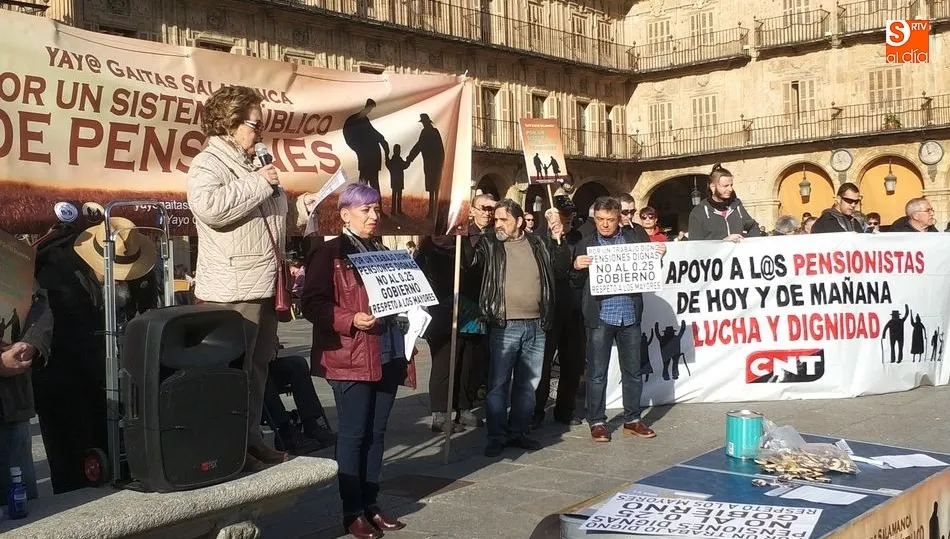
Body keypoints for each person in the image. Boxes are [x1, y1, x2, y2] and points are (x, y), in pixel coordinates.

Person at [186, 85, 293, 471]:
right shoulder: (208, 163)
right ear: (230, 124)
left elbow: (267, 215)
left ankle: (251, 440)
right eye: (254, 124)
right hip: (232, 286)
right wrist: (261, 182)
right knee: (233, 371)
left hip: (264, 281)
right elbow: (209, 207)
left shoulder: (253, 163)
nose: (260, 132)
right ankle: (228, 449)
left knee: (259, 365)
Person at [302, 183, 411, 539]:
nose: (374, 216)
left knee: (377, 434)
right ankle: (352, 512)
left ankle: (371, 504)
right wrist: (348, 318)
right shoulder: (330, 252)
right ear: (345, 213)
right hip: (352, 356)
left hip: (389, 351)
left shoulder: (383, 249)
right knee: (353, 435)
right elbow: (312, 303)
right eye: (366, 210)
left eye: (376, 209)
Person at [34, 217, 158, 493]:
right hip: (62, 374)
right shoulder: (58, 274)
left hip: (105, 367)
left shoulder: (135, 264)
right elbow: (72, 339)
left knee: (115, 449)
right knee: (75, 459)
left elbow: (147, 312)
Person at [467, 199, 557, 458]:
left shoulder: (538, 244)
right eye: (496, 219)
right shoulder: (490, 244)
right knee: (498, 383)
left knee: (528, 383)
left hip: (537, 324)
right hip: (504, 324)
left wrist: (558, 236)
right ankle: (497, 435)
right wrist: (466, 231)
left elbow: (558, 266)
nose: (498, 224)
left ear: (519, 222)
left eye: (503, 219)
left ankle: (519, 431)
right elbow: (470, 262)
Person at [572, 196, 666, 443]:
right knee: (596, 373)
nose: (604, 225)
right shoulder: (585, 244)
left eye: (610, 220)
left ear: (619, 219)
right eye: (600, 220)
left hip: (630, 314)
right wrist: (576, 267)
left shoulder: (635, 239)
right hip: (600, 316)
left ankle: (632, 420)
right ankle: (597, 421)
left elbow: (650, 268)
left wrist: (659, 253)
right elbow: (574, 282)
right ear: (595, 219)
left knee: (633, 371)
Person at [533, 196, 585, 428]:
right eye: (563, 216)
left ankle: (566, 408)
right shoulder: (539, 241)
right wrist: (556, 240)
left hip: (575, 309)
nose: (568, 220)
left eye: (571, 216)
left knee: (572, 363)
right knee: (542, 364)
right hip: (549, 309)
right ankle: (536, 410)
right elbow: (554, 269)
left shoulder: (579, 237)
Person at [0, 285, 52, 505]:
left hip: (13, 405)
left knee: (23, 507)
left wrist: (31, 343)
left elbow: (39, 301)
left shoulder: (13, 251)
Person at [263, 347, 336, 455]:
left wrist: (272, 347)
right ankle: (285, 430)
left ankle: (311, 424)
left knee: (298, 363)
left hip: (263, 360)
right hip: (245, 367)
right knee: (262, 376)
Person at [687, 164, 762, 242]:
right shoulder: (698, 212)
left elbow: (753, 226)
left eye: (731, 185)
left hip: (738, 254)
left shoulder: (736, 206)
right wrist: (723, 242)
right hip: (713, 254)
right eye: (725, 186)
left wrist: (748, 244)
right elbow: (695, 246)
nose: (730, 189)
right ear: (713, 187)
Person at [385, 144, 408, 216]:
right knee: (398, 196)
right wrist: (408, 160)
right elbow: (405, 166)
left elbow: (388, 164)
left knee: (394, 196)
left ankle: (394, 211)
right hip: (399, 180)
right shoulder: (398, 160)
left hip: (394, 181)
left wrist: (387, 158)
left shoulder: (392, 160)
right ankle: (398, 210)